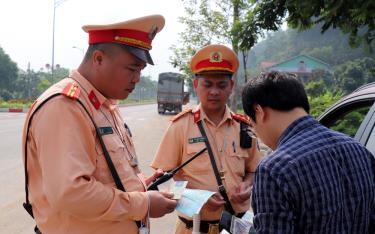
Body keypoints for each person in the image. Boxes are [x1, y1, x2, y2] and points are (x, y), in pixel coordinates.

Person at [21, 15, 177, 234]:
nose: (137, 78)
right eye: (132, 69)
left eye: (140, 70)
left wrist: (141, 183)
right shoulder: (64, 106)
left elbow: (107, 174)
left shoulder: (104, 105)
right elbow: (71, 193)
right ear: (98, 59)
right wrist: (144, 203)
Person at [242, 71, 375, 233]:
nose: (255, 132)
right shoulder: (359, 150)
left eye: (251, 124)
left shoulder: (273, 169)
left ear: (259, 112)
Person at [151, 44, 263, 234]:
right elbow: (164, 181)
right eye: (207, 84)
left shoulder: (244, 126)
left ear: (232, 87)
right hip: (192, 228)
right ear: (196, 86)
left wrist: (247, 186)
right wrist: (196, 197)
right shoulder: (180, 126)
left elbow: (254, 171)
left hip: (235, 227)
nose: (214, 91)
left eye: (221, 85)